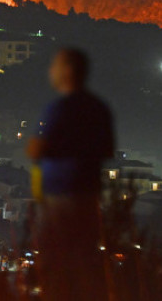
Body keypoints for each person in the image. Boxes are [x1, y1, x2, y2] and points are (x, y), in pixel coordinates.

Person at [27, 47, 115, 301]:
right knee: (85, 261)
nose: (50, 71)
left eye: (54, 65)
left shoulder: (59, 108)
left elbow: (35, 148)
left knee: (56, 263)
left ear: (67, 70)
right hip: (89, 195)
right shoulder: (100, 109)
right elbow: (107, 149)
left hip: (60, 196)